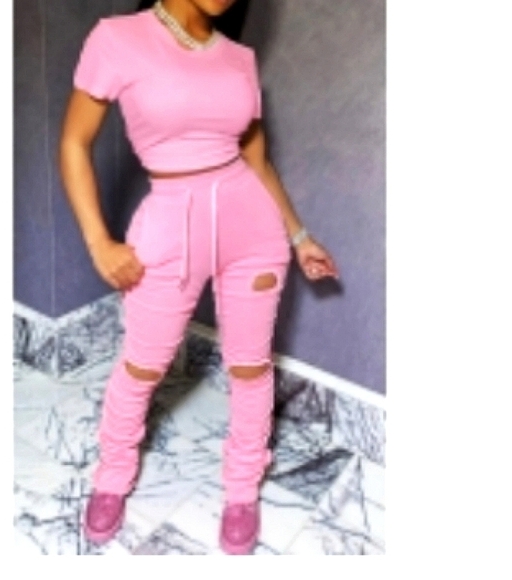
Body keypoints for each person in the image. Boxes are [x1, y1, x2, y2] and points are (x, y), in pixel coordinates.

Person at [59, 0, 339, 555]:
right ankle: (112, 476)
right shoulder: (117, 38)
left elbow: (257, 162)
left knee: (251, 366)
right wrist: (98, 243)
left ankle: (242, 489)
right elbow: (74, 143)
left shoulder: (239, 58)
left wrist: (300, 237)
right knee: (142, 364)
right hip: (167, 229)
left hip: (253, 231)